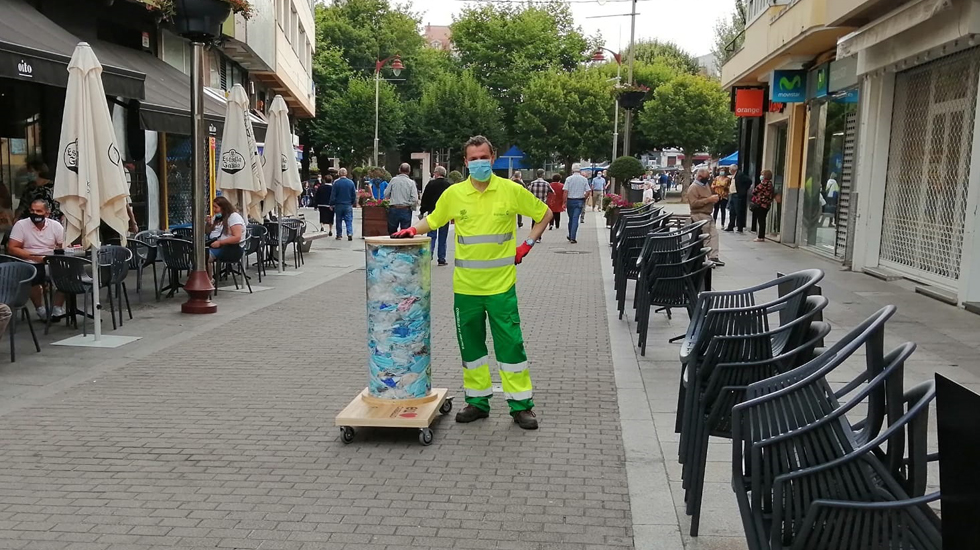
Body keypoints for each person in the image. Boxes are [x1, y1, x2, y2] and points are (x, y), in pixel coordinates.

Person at [390, 135, 553, 430]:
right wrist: (412, 230)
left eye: (483, 157)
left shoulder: (511, 190)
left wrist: (527, 244)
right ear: (465, 163)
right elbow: (435, 219)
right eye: (473, 158)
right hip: (466, 289)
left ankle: (520, 406)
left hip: (501, 287)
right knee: (472, 350)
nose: (478, 163)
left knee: (511, 348)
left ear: (493, 159)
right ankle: (478, 402)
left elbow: (545, 214)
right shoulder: (454, 194)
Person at [7, 199, 66, 319]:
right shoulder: (21, 225)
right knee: (32, 276)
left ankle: (57, 307)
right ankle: (40, 309)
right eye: (32, 210)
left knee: (68, 274)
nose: (35, 213)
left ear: (47, 213)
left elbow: (63, 247)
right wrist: (35, 257)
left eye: (39, 211)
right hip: (29, 260)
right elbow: (12, 248)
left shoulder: (55, 226)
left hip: (51, 260)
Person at [686, 168, 724, 266]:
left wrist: (714, 198)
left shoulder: (706, 185)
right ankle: (707, 257)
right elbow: (693, 204)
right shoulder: (693, 188)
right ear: (699, 177)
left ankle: (714, 257)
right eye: (706, 178)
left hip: (708, 214)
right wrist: (708, 200)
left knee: (714, 235)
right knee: (706, 237)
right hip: (699, 214)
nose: (707, 179)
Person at [206, 196, 247, 278]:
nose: (214, 209)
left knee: (205, 257)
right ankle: (204, 279)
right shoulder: (217, 217)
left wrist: (220, 243)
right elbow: (207, 232)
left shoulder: (234, 217)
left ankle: (209, 280)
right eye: (213, 207)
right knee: (199, 254)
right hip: (215, 244)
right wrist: (208, 224)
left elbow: (237, 237)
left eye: (216, 207)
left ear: (223, 207)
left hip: (231, 249)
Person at [419, 166, 451, 266]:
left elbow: (425, 198)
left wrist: (422, 210)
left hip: (433, 212)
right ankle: (441, 258)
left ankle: (429, 255)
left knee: (431, 235)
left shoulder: (431, 184)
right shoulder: (448, 185)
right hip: (445, 214)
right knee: (443, 236)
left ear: (437, 173)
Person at [384, 163, 419, 234]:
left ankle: (393, 245)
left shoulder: (393, 180)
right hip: (406, 209)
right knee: (405, 233)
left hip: (394, 208)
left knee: (392, 232)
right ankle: (403, 245)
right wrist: (410, 204)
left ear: (399, 170)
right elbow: (415, 199)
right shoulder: (411, 183)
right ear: (409, 171)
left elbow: (386, 194)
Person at [563, 165, 590, 244]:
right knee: (575, 218)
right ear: (580, 171)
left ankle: (571, 234)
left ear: (572, 170)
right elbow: (588, 191)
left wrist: (564, 202)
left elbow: (565, 191)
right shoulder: (584, 179)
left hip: (570, 200)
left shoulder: (568, 179)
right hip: (579, 200)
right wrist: (584, 198)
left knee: (571, 218)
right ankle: (573, 237)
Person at [330, 168, 357, 241]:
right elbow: (353, 194)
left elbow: (333, 194)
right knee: (349, 220)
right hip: (348, 204)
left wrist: (331, 204)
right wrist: (352, 202)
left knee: (338, 220)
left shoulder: (336, 183)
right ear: (346, 173)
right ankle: (349, 233)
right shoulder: (351, 183)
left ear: (339, 174)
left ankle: (339, 235)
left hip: (338, 204)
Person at [527, 169, 553, 242]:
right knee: (541, 221)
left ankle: (532, 237)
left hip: (534, 204)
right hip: (543, 204)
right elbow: (552, 192)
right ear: (543, 174)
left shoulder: (532, 183)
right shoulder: (546, 183)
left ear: (536, 175)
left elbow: (528, 192)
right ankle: (539, 237)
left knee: (534, 220)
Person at [750, 170, 776, 242]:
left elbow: (754, 191)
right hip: (767, 205)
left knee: (761, 221)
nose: (761, 176)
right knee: (763, 220)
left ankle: (761, 236)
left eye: (762, 174)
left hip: (760, 204)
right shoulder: (770, 184)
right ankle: (761, 236)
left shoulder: (763, 184)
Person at [725, 168, 753, 233]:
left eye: (730, 169)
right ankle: (731, 226)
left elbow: (749, 181)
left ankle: (740, 227)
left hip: (737, 195)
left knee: (738, 212)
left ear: (733, 170)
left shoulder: (740, 175)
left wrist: (743, 190)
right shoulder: (733, 176)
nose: (729, 171)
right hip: (732, 194)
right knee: (732, 211)